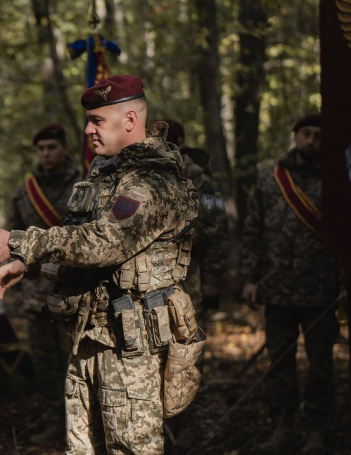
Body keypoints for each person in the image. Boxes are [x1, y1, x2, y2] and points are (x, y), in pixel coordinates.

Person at [0, 75, 200, 455]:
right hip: (86, 337)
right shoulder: (106, 174)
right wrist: (30, 266)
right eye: (88, 121)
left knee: (130, 449)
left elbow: (105, 243)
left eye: (97, 121)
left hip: (130, 347)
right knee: (80, 449)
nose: (88, 131)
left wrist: (17, 243)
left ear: (129, 120)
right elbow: (78, 248)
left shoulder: (152, 182)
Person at [241, 114, 339, 454]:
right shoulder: (271, 180)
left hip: (321, 290)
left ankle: (317, 429)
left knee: (320, 364)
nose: (311, 141)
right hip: (276, 288)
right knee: (280, 363)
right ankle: (282, 429)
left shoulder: (338, 180)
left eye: (319, 136)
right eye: (306, 134)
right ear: (295, 136)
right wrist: (250, 279)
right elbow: (253, 232)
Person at [157, 119, 228, 452]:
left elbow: (217, 230)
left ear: (181, 142)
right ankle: (170, 432)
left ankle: (203, 433)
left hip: (190, 283)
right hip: (153, 285)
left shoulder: (200, 179)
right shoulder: (150, 175)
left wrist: (213, 281)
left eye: (167, 140)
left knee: (186, 360)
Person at [8, 123, 80, 445]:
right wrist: (18, 287)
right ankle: (55, 422)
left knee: (76, 362)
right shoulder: (26, 191)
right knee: (45, 363)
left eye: (52, 147)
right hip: (37, 293)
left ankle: (81, 425)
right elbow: (13, 241)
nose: (46, 154)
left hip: (76, 291)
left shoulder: (86, 183)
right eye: (41, 149)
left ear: (64, 148)